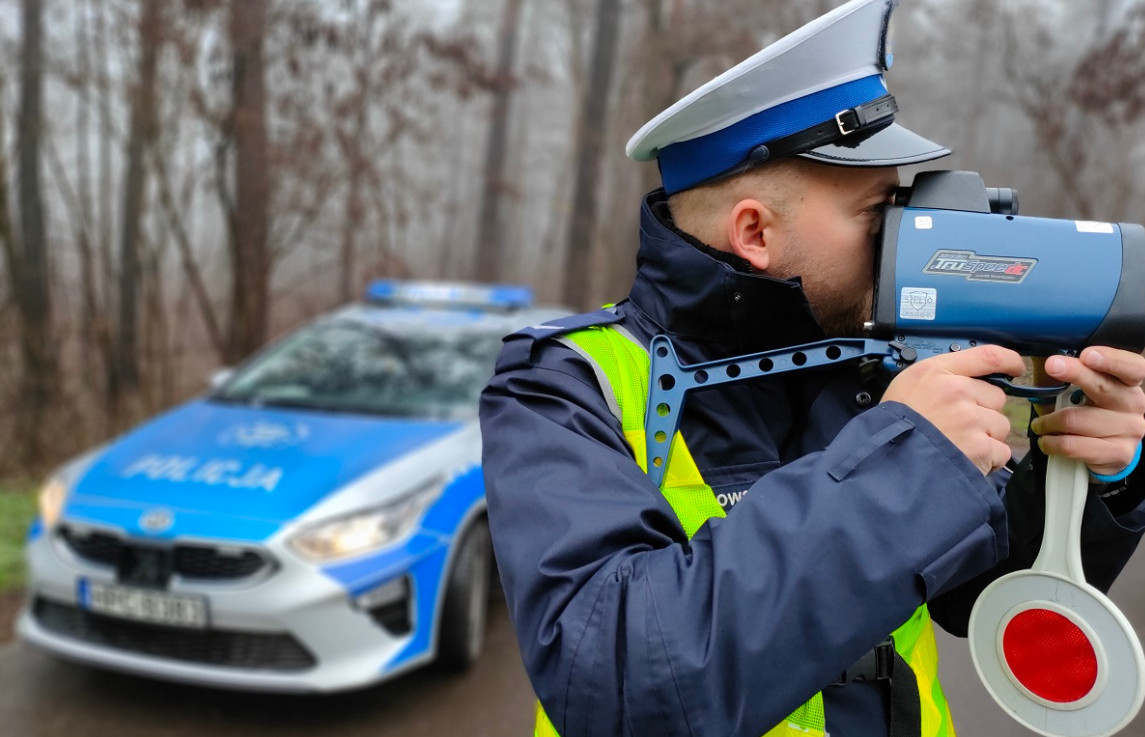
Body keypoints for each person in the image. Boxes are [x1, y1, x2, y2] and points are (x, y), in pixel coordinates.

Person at [479, 1, 1145, 735]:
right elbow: (615, 681)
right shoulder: (563, 388)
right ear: (755, 233)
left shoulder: (879, 370)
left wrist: (1088, 478)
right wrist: (901, 469)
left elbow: (981, 594)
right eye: (876, 213)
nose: (904, 240)